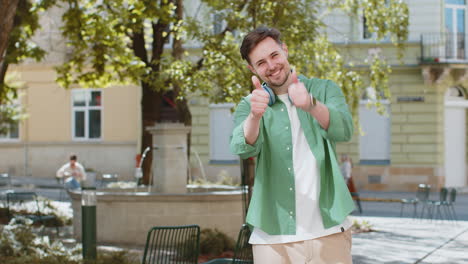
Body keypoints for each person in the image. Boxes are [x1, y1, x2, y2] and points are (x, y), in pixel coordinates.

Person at [230, 26, 355, 263]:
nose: (271, 65)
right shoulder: (251, 104)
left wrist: (310, 104)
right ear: (252, 69)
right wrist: (255, 116)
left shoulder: (324, 89)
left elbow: (344, 129)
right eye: (261, 62)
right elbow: (242, 147)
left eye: (274, 55)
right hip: (272, 238)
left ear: (285, 50)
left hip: (328, 231)